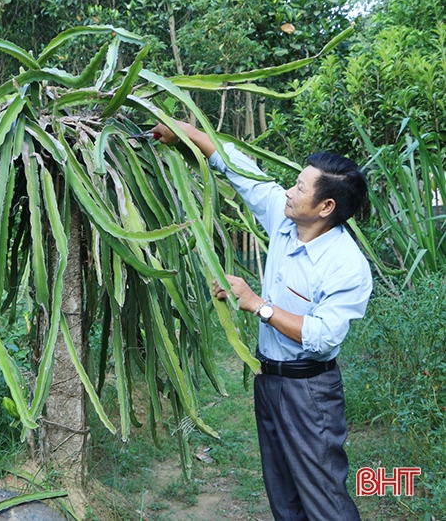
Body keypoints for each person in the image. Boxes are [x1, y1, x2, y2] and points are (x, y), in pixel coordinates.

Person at [153, 121, 371, 521]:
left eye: (301, 188)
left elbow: (322, 337)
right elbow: (237, 169)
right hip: (269, 381)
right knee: (283, 494)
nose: (289, 191)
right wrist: (181, 130)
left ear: (326, 207)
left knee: (323, 499)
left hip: (310, 392)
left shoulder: (347, 266)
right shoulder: (286, 222)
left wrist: (258, 305)